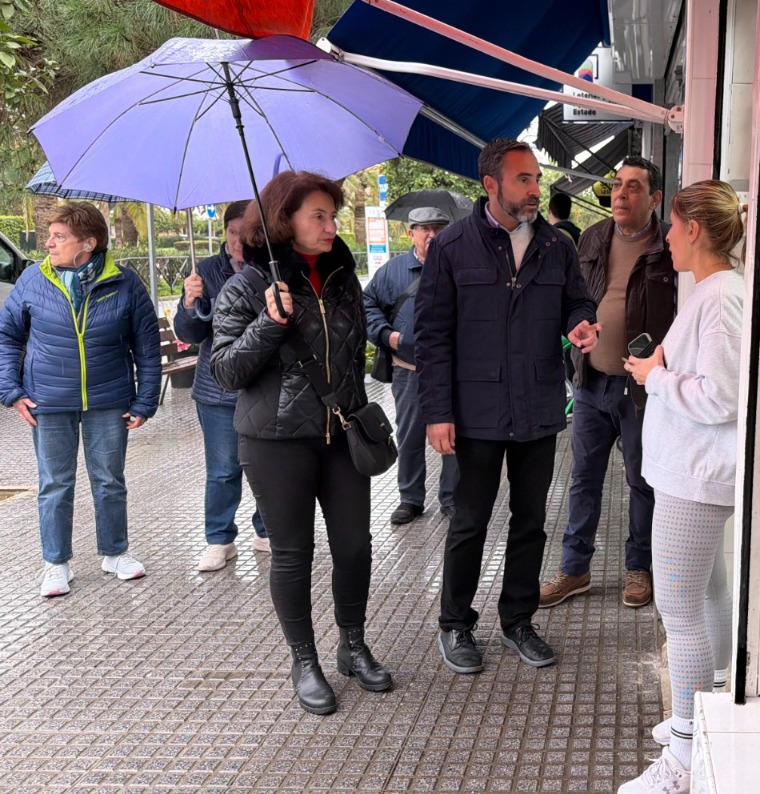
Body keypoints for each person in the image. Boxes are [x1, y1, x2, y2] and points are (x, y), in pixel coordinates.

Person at [209, 170, 391, 715]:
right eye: (319, 216)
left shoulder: (342, 276)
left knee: (356, 546)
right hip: (275, 440)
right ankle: (304, 659)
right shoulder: (245, 285)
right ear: (284, 220)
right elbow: (224, 371)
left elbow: (353, 353)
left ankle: (352, 645)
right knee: (292, 554)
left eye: (333, 216)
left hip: (340, 434)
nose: (332, 226)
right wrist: (269, 321)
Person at [415, 138, 599, 675]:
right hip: (473, 413)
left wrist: (579, 322)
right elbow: (432, 336)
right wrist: (437, 411)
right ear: (490, 185)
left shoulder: (556, 246)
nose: (535, 190)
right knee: (469, 520)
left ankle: (518, 619)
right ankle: (455, 624)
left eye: (536, 179)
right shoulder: (452, 247)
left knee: (531, 520)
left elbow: (578, 300)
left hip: (538, 406)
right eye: (523, 179)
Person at [617, 180, 745, 794]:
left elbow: (721, 395)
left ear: (695, 228)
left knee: (679, 609)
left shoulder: (720, 298)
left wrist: (656, 377)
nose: (665, 236)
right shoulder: (719, 293)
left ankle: (689, 750)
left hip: (693, 477)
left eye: (672, 224)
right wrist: (657, 373)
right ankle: (709, 707)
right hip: (695, 472)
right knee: (708, 593)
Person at [0, 202, 159, 598]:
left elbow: (148, 347)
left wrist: (145, 402)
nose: (48, 243)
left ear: (88, 243)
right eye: (50, 236)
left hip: (108, 399)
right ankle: (56, 564)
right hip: (48, 401)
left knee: (109, 481)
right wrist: (11, 391)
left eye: (59, 237)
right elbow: (7, 336)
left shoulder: (125, 282)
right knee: (54, 484)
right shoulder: (33, 280)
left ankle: (115, 553)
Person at [540, 156, 676, 610]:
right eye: (617, 185)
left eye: (634, 187)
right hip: (592, 381)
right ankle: (574, 570)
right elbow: (573, 297)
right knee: (583, 479)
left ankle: (639, 568)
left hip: (641, 390)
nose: (621, 194)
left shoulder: (669, 247)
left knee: (641, 480)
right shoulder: (595, 238)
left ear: (655, 198)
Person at [174, 200, 271, 572]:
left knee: (264, 465)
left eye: (244, 233)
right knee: (223, 468)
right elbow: (190, 333)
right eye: (231, 232)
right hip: (216, 389)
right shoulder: (205, 271)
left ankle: (265, 530)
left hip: (262, 384)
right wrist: (189, 301)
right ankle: (219, 539)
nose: (237, 240)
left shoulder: (272, 267)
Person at [364, 205, 459, 526]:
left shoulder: (460, 266)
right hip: (410, 369)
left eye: (438, 228)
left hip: (453, 370)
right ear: (411, 233)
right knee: (410, 435)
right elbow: (366, 306)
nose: (431, 234)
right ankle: (410, 498)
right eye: (424, 229)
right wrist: (387, 336)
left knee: (454, 437)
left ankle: (452, 497)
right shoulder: (392, 272)